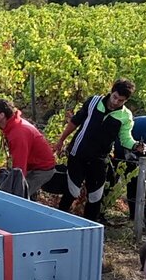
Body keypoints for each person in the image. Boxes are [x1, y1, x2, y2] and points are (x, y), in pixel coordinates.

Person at [54, 79, 140, 220]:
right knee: (72, 191)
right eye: (115, 97)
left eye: (120, 101)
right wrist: (61, 140)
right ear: (111, 92)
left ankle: (90, 229)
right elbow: (75, 121)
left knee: (95, 197)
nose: (115, 102)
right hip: (78, 154)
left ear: (126, 101)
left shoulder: (125, 117)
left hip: (99, 159)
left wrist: (136, 145)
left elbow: (126, 139)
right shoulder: (94, 102)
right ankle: (57, 221)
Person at [0, 97, 57, 197]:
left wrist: (15, 187)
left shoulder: (17, 134)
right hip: (33, 166)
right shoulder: (11, 125)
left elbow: (19, 170)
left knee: (17, 196)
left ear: (1, 115)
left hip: (42, 170)